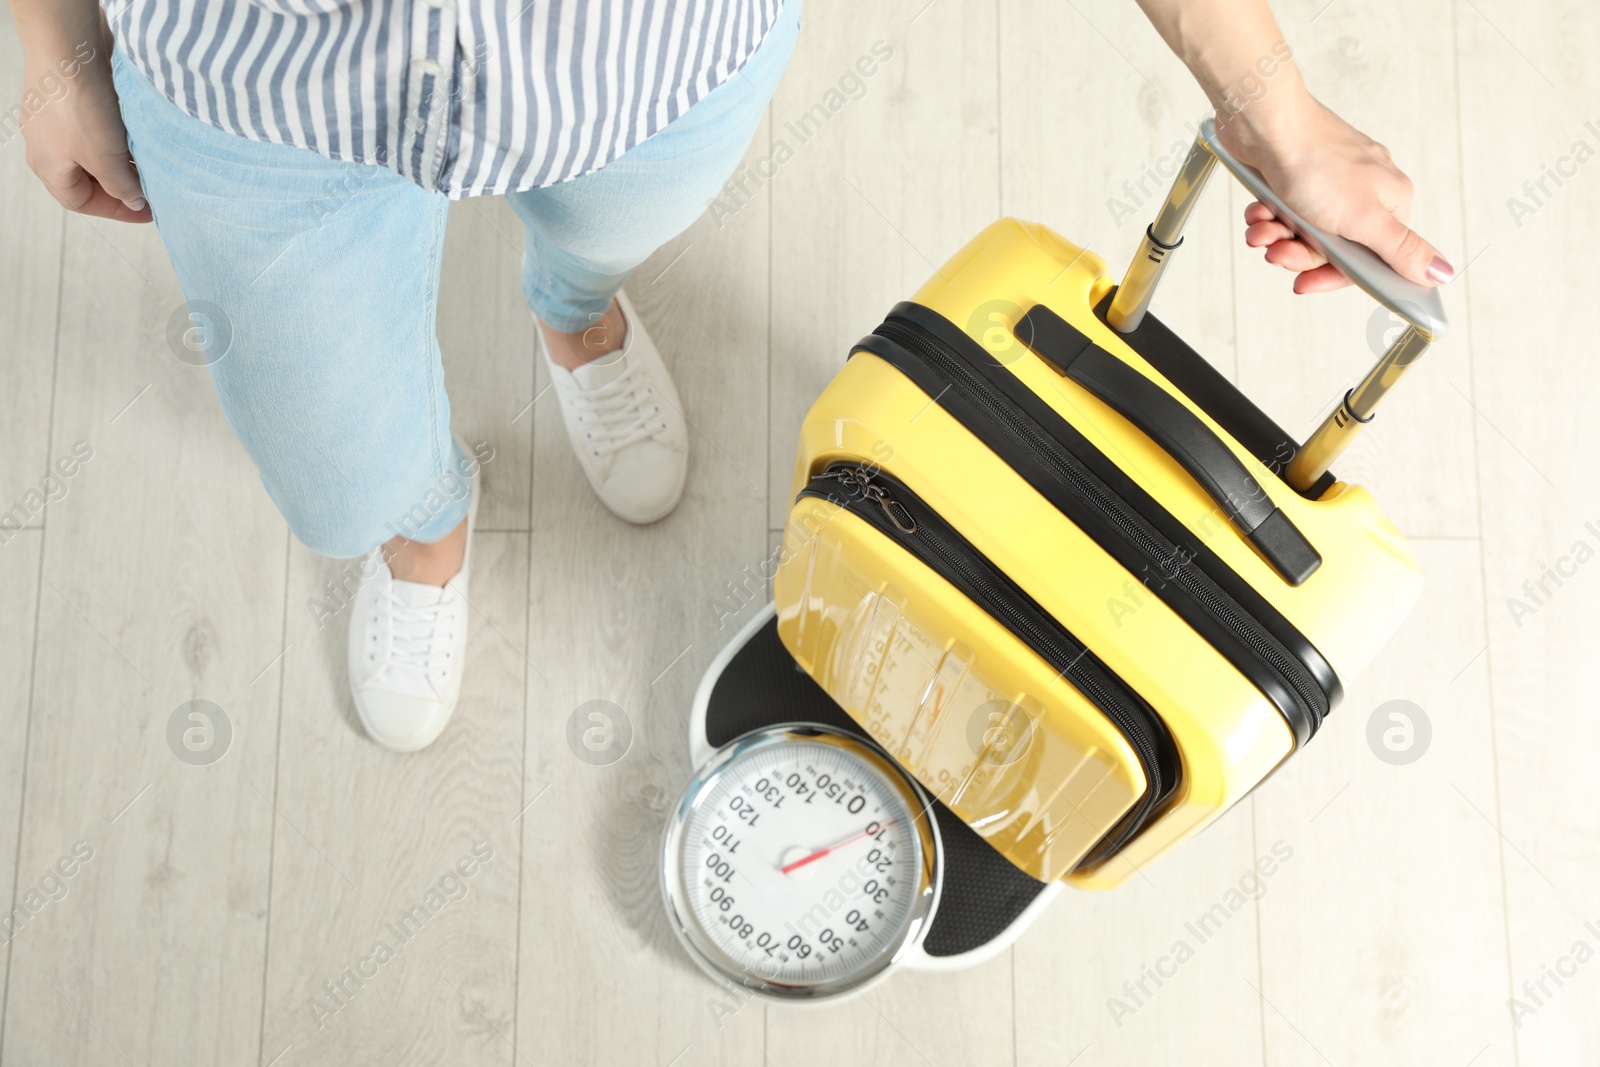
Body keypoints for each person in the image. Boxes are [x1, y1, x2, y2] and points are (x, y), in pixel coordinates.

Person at [11, 0, 1453, 752]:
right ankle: (422, 520)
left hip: (646, 58)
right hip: (252, 91)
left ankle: (573, 316)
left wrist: (1276, 109)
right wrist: (61, 47)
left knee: (607, 234)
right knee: (326, 452)